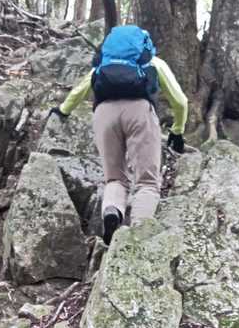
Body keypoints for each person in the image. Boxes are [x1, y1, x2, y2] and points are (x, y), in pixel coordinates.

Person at [48, 24, 189, 241]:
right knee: (147, 182)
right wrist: (177, 130)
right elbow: (180, 101)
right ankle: (138, 235)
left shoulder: (104, 64)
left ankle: (112, 211)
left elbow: (79, 90)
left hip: (104, 114)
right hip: (139, 112)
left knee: (114, 178)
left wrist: (63, 110)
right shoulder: (153, 63)